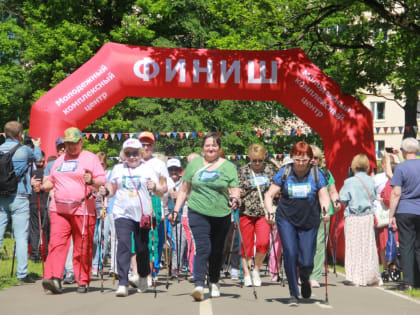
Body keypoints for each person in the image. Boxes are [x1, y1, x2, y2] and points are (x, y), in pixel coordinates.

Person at [169, 132, 240, 301]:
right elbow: (184, 190)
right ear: (203, 147)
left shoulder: (228, 166)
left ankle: (214, 280)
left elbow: (234, 188)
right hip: (197, 211)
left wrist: (235, 199)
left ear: (219, 148)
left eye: (214, 145)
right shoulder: (194, 165)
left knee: (217, 250)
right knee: (203, 247)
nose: (211, 148)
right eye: (208, 145)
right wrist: (176, 211)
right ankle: (199, 285)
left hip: (221, 213)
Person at [39, 127, 106, 294]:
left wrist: (92, 180)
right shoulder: (60, 161)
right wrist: (40, 187)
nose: (71, 147)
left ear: (81, 142)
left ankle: (82, 279)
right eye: (68, 143)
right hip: (59, 208)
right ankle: (53, 278)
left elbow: (102, 180)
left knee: (82, 245)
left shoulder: (90, 158)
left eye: (74, 143)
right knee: (56, 244)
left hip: (83, 209)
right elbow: (51, 182)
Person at [264, 141, 330, 306]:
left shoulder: (316, 174)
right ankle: (293, 293)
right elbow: (269, 194)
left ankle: (306, 277)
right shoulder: (285, 172)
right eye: (297, 160)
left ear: (310, 159)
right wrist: (269, 210)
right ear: (292, 158)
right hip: (286, 219)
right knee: (290, 253)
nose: (300, 164)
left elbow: (323, 195)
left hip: (309, 220)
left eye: (304, 160)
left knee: (307, 260)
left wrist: (325, 209)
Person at [100, 138, 165, 297]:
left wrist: (155, 187)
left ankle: (143, 275)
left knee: (142, 248)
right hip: (122, 212)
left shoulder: (148, 169)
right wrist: (106, 191)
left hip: (143, 214)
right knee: (124, 245)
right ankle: (123, 282)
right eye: (128, 154)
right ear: (123, 155)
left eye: (135, 153)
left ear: (141, 153)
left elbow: (161, 191)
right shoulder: (118, 169)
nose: (132, 157)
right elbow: (112, 187)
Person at [0, 121, 42, 283]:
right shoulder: (24, 150)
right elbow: (38, 159)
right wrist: (36, 145)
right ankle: (22, 273)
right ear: (20, 135)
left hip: (1, 197)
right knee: (20, 236)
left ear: (4, 134)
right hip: (20, 196)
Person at [339, 153, 381, 287]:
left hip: (353, 216)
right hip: (367, 216)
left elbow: (343, 198)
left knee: (353, 246)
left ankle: (354, 277)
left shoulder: (350, 182)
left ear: (354, 165)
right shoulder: (371, 181)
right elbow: (373, 196)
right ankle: (370, 275)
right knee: (368, 246)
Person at [237, 143, 276, 286]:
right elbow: (235, 189)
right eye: (254, 160)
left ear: (264, 157)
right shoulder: (242, 171)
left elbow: (276, 188)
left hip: (263, 213)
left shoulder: (270, 170)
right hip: (246, 212)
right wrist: (239, 193)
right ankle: (246, 273)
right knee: (246, 245)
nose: (257, 163)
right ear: (249, 158)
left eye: (260, 160)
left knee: (263, 242)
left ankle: (256, 269)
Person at [138, 131, 169, 287]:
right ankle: (137, 272)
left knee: (152, 239)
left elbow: (165, 186)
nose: (146, 147)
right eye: (143, 144)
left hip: (153, 201)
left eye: (149, 144)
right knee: (136, 240)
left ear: (153, 145)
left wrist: (162, 206)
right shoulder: (131, 161)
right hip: (135, 202)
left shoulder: (159, 164)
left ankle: (150, 273)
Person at [389, 137, 420, 290]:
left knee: (406, 246)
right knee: (419, 246)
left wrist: (390, 215)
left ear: (405, 151)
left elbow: (396, 193)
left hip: (405, 210)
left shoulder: (401, 168)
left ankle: (409, 282)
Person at [309, 145, 341, 288]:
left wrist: (336, 201)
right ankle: (302, 272)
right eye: (310, 158)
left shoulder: (326, 173)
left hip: (324, 213)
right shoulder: (300, 173)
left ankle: (314, 276)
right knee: (305, 244)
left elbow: (333, 191)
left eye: (316, 158)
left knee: (319, 244)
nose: (313, 161)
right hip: (305, 213)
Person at [29, 151, 50, 261]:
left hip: (35, 202)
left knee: (35, 229)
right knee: (45, 230)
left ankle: (35, 254)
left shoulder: (31, 173)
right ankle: (45, 254)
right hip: (43, 203)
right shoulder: (48, 173)